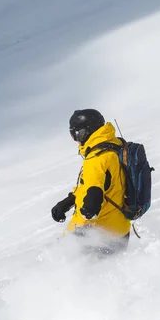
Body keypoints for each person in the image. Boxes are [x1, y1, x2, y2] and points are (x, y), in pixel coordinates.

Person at [51, 109, 131, 255]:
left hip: (97, 235)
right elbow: (105, 185)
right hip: (121, 231)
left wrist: (88, 209)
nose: (76, 139)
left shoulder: (96, 160)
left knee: (60, 263)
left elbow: (94, 193)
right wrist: (68, 201)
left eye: (75, 134)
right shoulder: (116, 147)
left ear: (85, 132)